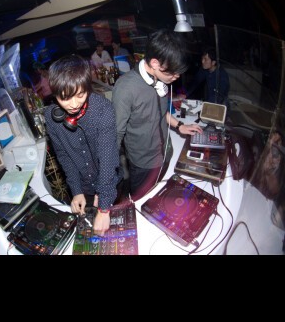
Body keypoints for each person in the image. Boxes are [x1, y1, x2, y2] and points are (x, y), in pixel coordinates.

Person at [112, 29, 203, 202]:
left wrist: (180, 126)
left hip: (166, 152)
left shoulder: (160, 79)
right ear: (155, 63)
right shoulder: (126, 88)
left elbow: (160, 111)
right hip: (144, 164)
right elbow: (115, 134)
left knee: (162, 197)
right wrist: (107, 176)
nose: (176, 77)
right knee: (141, 201)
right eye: (173, 73)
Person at [44, 54, 122, 236]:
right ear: (55, 95)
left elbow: (107, 160)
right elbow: (64, 156)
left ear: (87, 88)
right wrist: (76, 191)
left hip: (110, 184)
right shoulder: (51, 117)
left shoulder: (103, 110)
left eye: (80, 95)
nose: (73, 104)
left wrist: (104, 208)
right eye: (65, 98)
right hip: (84, 186)